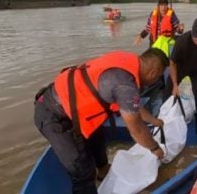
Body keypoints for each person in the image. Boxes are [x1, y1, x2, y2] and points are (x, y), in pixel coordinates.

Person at [34, 48, 169, 194]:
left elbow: (130, 105)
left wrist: (152, 120)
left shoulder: (126, 60)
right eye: (158, 76)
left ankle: (103, 172)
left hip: (75, 108)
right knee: (82, 172)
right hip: (54, 115)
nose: (156, 80)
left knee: (98, 139)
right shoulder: (125, 85)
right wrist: (155, 148)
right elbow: (137, 129)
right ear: (154, 72)